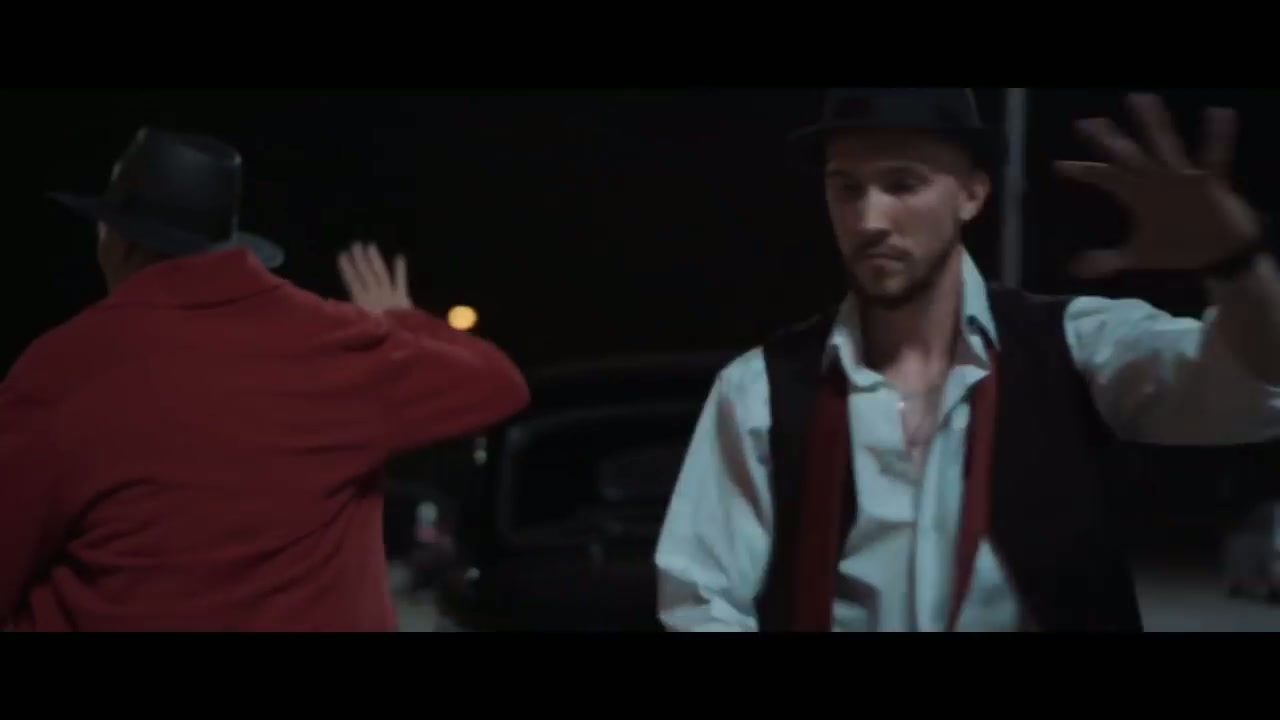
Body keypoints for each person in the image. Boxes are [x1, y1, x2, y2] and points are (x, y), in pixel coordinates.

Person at [654, 88, 1280, 632]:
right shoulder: (760, 387)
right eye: (846, 188)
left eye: (903, 184)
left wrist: (1238, 266)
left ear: (973, 193)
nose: (869, 220)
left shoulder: (1072, 344)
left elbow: (1250, 387)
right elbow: (699, 598)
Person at [0, 127, 530, 631]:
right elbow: (498, 385)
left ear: (111, 238)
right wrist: (400, 319)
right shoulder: (334, 343)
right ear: (228, 242)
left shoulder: (63, 369)